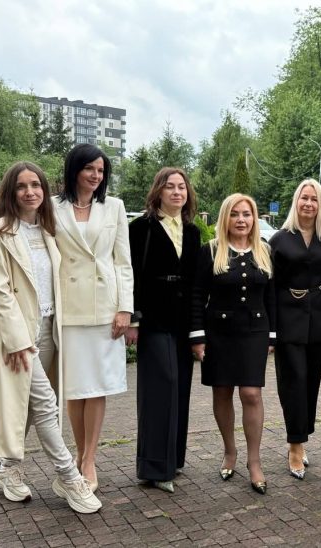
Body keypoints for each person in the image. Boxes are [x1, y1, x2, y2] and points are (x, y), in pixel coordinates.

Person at [0, 161, 101, 513]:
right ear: (10, 192)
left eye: (36, 185)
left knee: (28, 406)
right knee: (45, 403)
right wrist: (17, 340)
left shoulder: (47, 230)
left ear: (44, 190)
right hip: (16, 334)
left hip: (48, 329)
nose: (30, 192)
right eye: (21, 186)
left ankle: (6, 469)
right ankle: (69, 477)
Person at [53, 143, 133, 491]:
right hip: (69, 308)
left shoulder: (114, 207)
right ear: (75, 170)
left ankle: (89, 458)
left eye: (101, 171)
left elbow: (123, 262)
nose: (96, 176)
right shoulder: (52, 208)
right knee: (76, 387)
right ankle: (78, 451)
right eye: (90, 169)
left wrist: (125, 308)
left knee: (97, 385)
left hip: (105, 308)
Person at [190, 194, 275, 494]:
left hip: (254, 331)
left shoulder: (265, 250)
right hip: (219, 332)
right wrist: (197, 335)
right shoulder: (211, 250)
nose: (241, 220)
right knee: (222, 391)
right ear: (225, 218)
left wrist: (272, 334)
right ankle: (229, 451)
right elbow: (197, 295)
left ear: (254, 218)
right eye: (235, 214)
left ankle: (255, 461)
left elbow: (271, 296)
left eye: (247, 214)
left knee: (251, 393)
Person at [126, 167, 201, 493]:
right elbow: (130, 274)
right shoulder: (139, 228)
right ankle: (154, 468)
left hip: (182, 321)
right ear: (158, 191)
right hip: (153, 319)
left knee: (180, 388)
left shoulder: (193, 232)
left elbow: (196, 282)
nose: (176, 192)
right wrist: (133, 318)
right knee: (160, 388)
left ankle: (173, 459)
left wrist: (198, 328)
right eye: (170, 186)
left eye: (181, 187)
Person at [269, 179, 321, 480]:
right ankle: (295, 444)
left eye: (314, 199)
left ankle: (302, 436)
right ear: (296, 201)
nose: (309, 204)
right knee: (293, 380)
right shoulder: (279, 240)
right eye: (304, 198)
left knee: (311, 381)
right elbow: (270, 286)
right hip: (287, 318)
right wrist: (271, 328)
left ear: (320, 204)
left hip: (320, 320)